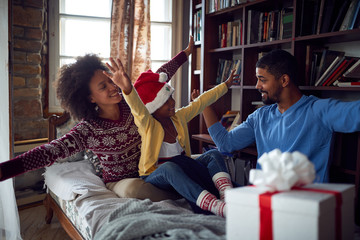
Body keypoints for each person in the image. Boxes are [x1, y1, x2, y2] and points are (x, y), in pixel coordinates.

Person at [0, 39, 194, 202]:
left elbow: (159, 77)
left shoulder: (133, 103)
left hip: (152, 171)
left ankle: (192, 189)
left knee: (190, 162)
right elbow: (49, 152)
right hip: (122, 182)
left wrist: (186, 53)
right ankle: (185, 196)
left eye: (111, 80)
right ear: (90, 97)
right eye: (103, 86)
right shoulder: (87, 130)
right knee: (133, 191)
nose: (113, 86)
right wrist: (5, 170)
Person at [104, 47, 240, 217]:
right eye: (166, 101)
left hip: (182, 167)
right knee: (170, 167)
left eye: (171, 98)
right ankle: (213, 205)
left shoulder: (179, 117)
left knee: (214, 154)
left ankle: (227, 196)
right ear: (153, 108)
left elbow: (201, 102)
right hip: (155, 175)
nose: (173, 102)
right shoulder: (148, 123)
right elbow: (137, 108)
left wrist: (225, 86)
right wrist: (127, 88)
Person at [202, 49, 360, 183]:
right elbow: (225, 143)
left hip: (303, 203)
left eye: (262, 80)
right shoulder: (260, 116)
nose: (257, 86)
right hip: (264, 198)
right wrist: (203, 104)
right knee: (202, 160)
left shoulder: (319, 110)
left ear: (284, 80)